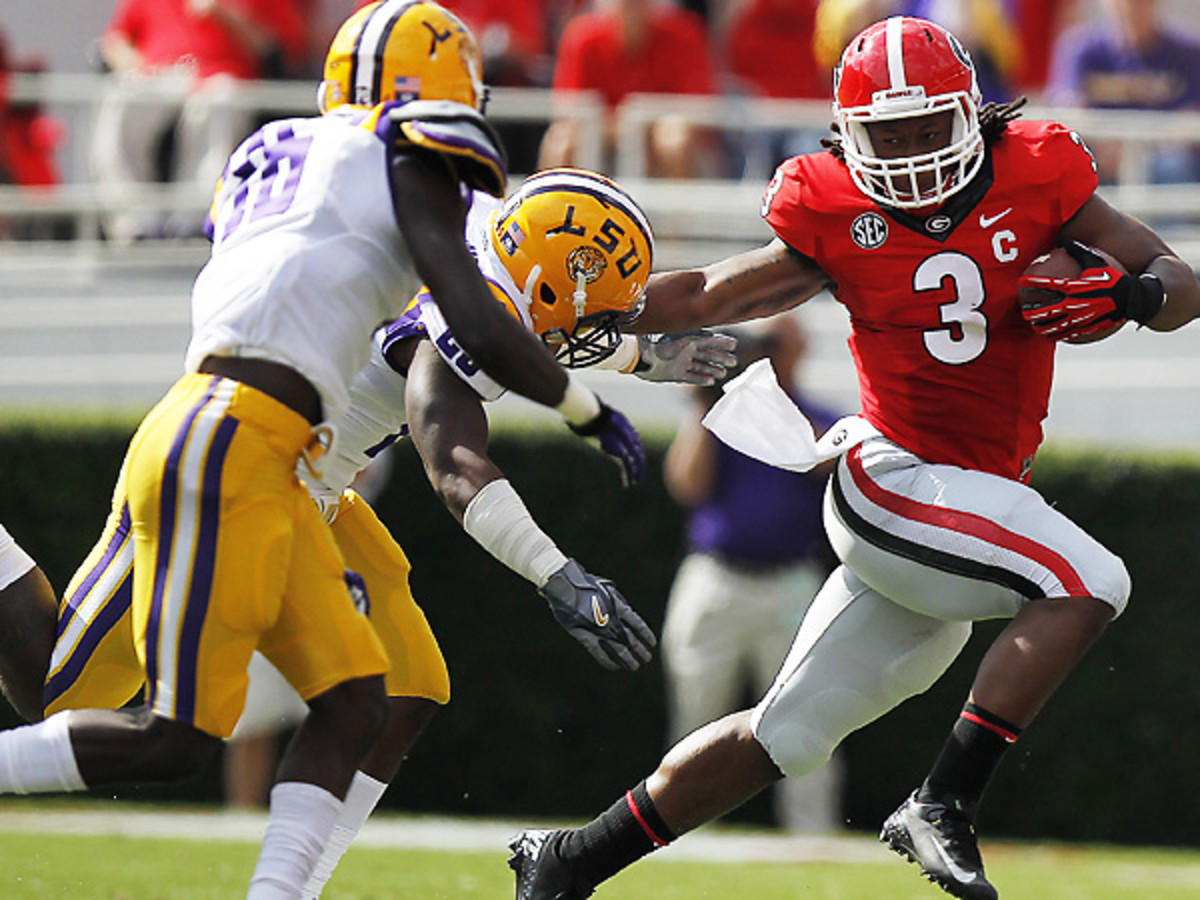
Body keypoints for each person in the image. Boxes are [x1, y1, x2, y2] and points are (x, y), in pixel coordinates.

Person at [507, 14, 1200, 900]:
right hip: (894, 482)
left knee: (781, 736)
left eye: (928, 127)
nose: (911, 153)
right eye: (889, 134)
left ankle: (568, 863)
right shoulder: (832, 206)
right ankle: (942, 804)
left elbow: (1181, 280)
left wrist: (1140, 291)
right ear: (847, 135)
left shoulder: (1038, 170)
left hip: (969, 504)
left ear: (972, 115)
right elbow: (708, 292)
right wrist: (573, 304)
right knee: (1090, 581)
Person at [0, 4, 651, 899]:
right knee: (76, 698)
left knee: (390, 688)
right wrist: (581, 409)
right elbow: (461, 379)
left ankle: (291, 891)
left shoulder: (274, 153)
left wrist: (634, 353)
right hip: (236, 443)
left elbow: (387, 268)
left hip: (297, 463)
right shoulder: (418, 187)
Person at [660, 312, 844, 833]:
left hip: (790, 583)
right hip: (716, 578)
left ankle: (814, 840)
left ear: (799, 350)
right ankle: (676, 833)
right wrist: (706, 398)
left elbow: (824, 459)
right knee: (695, 714)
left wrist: (766, 395)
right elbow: (687, 485)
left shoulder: (815, 417)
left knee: (807, 718)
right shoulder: (721, 415)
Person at [90, 0, 308, 243]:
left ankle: (194, 224)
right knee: (120, 99)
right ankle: (134, 224)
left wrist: (227, 15)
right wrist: (134, 67)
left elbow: (280, 50)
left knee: (220, 104)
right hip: (162, 77)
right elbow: (115, 42)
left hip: (223, 77)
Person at [537, 0, 722, 178]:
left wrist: (641, 127)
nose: (630, 5)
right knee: (560, 141)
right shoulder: (581, 36)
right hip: (600, 139)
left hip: (657, 147)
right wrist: (626, 128)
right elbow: (566, 110)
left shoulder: (684, 33)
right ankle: (552, 208)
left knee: (674, 139)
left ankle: (676, 210)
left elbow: (699, 111)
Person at [1045, 0, 1200, 184]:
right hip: (1100, 155)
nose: (1131, 8)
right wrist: (1103, 146)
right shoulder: (1079, 48)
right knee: (1076, 169)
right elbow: (1068, 107)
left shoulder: (1188, 52)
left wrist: (1142, 150)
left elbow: (1191, 115)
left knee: (1175, 169)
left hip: (1163, 154)